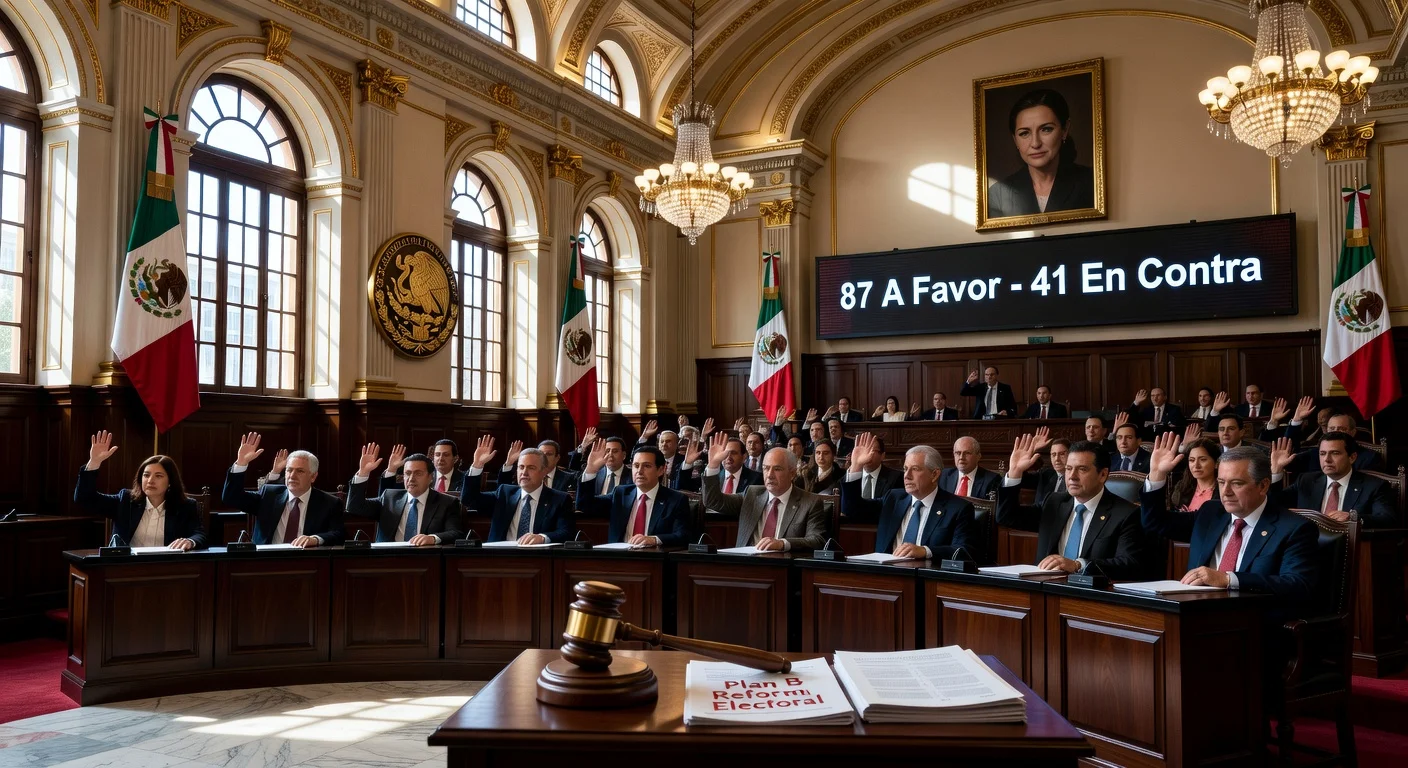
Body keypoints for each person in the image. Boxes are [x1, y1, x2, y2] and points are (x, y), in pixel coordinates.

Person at [1141, 433, 1318, 604]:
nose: (1226, 492)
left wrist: (1228, 579)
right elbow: (1155, 522)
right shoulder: (1211, 512)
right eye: (1221, 482)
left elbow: (1298, 585)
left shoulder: (1294, 528)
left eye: (1237, 483)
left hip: (1252, 622)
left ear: (1263, 485)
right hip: (1196, 613)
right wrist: (1157, 475)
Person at [998, 435, 1152, 578]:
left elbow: (1130, 564)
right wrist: (1015, 472)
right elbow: (1007, 516)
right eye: (1069, 469)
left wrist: (1079, 565)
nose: (1072, 476)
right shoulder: (1054, 502)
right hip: (1046, 590)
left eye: (1082, 469)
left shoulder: (1126, 514)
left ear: (1103, 475)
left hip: (1091, 598)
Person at [840, 433, 975, 560]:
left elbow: (963, 550)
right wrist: (856, 466)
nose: (907, 475)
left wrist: (925, 551)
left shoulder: (958, 508)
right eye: (905, 469)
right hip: (887, 577)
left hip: (928, 579)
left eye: (915, 469)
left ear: (934, 475)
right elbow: (852, 510)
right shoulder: (893, 499)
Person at [75, 430, 204, 550]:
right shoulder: (125, 500)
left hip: (166, 568)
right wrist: (94, 462)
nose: (150, 480)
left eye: (158, 476)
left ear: (170, 482)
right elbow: (85, 499)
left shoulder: (186, 506)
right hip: (126, 568)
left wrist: (190, 541)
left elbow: (199, 534)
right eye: (146, 475)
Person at [700, 433, 828, 551]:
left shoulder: (810, 502)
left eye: (777, 469)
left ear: (792, 473)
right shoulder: (751, 494)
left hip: (783, 568)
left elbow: (817, 540)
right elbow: (713, 501)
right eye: (766, 469)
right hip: (746, 566)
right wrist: (713, 465)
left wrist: (782, 544)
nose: (770, 475)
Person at [986, 88, 1095, 218]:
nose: (1035, 143)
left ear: (1065, 130)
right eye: (1024, 133)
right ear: (1015, 140)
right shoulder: (997, 195)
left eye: (1046, 129)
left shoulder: (1092, 183)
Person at [221, 433, 344, 547]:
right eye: (289, 470)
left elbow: (339, 534)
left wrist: (316, 539)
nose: (292, 476)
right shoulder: (269, 495)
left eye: (300, 471)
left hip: (307, 562)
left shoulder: (329, 503)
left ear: (313, 476)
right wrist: (241, 463)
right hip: (264, 561)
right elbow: (231, 498)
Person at [576, 442, 692, 547]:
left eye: (646, 466)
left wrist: (654, 539)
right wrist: (591, 470)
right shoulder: (620, 494)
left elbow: (683, 535)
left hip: (654, 561)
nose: (639, 471)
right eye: (636, 466)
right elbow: (584, 505)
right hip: (620, 559)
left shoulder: (675, 499)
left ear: (661, 470)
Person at [1271, 433, 1397, 528]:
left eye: (1335, 453)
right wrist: (1276, 471)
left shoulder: (1374, 486)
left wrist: (1354, 518)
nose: (1327, 459)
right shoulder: (1306, 481)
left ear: (1352, 457)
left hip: (1348, 549)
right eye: (1322, 453)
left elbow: (1388, 519)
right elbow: (1272, 504)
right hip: (1306, 547)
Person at [462, 438, 574, 543]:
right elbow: (469, 500)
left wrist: (542, 537)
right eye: (521, 467)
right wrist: (477, 465)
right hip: (500, 557)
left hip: (539, 558)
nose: (524, 473)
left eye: (531, 468)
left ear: (544, 471)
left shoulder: (559, 499)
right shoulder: (504, 493)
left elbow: (566, 532)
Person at [346, 443, 463, 544]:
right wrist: (363, 472)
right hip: (387, 561)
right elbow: (355, 507)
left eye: (418, 473)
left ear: (430, 477)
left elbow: (456, 533)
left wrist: (433, 538)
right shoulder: (389, 498)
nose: (411, 479)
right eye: (407, 473)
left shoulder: (447, 502)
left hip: (426, 561)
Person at [1285, 410, 1383, 472]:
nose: (1335, 433)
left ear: (1352, 432)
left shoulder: (1369, 458)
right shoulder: (1314, 454)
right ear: (1326, 431)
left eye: (1341, 429)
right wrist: (1296, 421)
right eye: (1332, 429)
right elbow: (1288, 463)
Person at [498, 439, 580, 494]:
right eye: (541, 453)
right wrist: (509, 463)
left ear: (557, 458)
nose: (544, 457)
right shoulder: (523, 474)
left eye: (549, 454)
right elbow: (503, 492)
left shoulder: (570, 478)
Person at [1168, 437, 1220, 513]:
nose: (1196, 465)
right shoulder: (1182, 487)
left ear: (1216, 463)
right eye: (1192, 460)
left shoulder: (1223, 491)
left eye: (1203, 459)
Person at [1025, 437, 1070, 506]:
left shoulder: (1079, 477)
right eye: (1053, 454)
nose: (1057, 459)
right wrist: (1031, 451)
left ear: (1071, 455)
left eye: (1062, 454)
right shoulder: (1045, 474)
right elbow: (1023, 479)